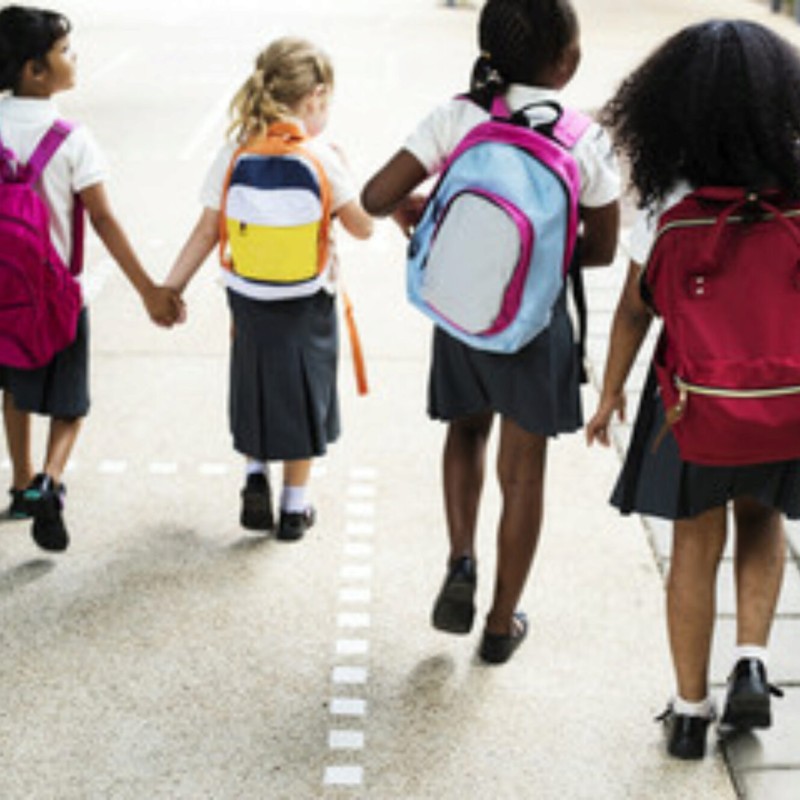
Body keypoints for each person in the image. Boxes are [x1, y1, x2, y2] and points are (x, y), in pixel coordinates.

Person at [361, 0, 620, 663]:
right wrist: (537, 253)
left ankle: (460, 560)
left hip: (462, 312)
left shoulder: (460, 115)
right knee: (524, 475)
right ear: (568, 61)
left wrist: (422, 224)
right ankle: (502, 626)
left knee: (464, 431)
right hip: (534, 326)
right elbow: (600, 251)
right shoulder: (584, 139)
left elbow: (374, 196)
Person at [586, 19, 800, 760]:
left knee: (692, 549)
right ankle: (752, 660)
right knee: (763, 520)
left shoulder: (668, 195)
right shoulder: (797, 182)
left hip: (690, 404)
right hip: (782, 400)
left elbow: (634, 309)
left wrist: (610, 393)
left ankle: (687, 711)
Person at [165, 36, 373, 541]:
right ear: (315, 97)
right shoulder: (322, 154)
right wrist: (346, 169)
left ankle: (254, 475)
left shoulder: (234, 151)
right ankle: (295, 507)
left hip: (248, 297)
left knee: (254, 383)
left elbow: (206, 230)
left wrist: (171, 286)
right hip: (307, 301)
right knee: (304, 392)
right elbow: (362, 226)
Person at [0, 5, 182, 551]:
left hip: (4, 295)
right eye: (64, 51)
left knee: (15, 389)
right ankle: (53, 480)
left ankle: (21, 481)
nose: (74, 58)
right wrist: (150, 289)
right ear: (35, 70)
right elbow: (102, 220)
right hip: (57, 296)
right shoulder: (72, 138)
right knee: (69, 401)